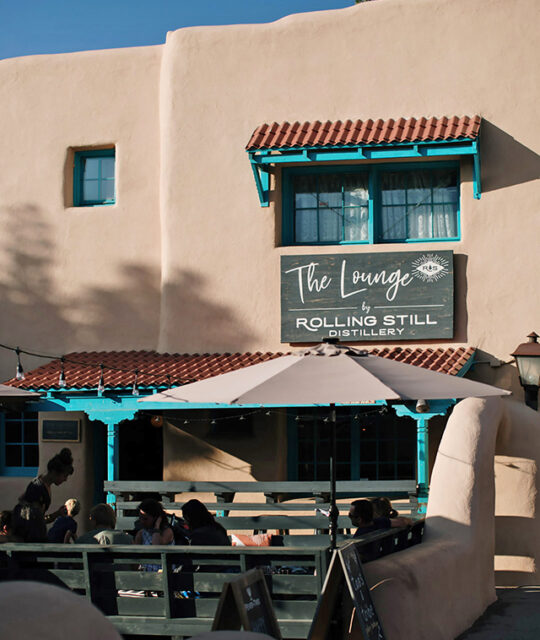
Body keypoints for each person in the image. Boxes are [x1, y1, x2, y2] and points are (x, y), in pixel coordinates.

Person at [18, 448, 74, 525]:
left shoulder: (41, 484)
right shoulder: (37, 489)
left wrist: (57, 513)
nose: (65, 479)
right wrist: (56, 514)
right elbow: (36, 521)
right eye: (64, 476)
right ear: (54, 472)